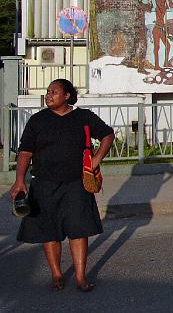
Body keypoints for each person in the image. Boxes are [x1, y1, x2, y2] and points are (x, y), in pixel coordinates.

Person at [11, 79, 114, 293]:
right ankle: (57, 274)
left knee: (79, 230)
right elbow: (25, 152)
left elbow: (107, 134)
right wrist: (19, 179)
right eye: (48, 92)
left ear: (67, 96)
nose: (49, 95)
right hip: (44, 184)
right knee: (50, 232)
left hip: (76, 184)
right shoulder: (37, 121)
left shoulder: (83, 117)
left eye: (54, 92)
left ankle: (80, 277)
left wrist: (96, 160)